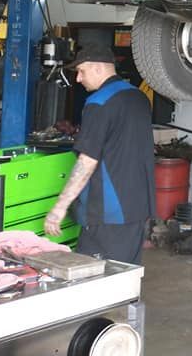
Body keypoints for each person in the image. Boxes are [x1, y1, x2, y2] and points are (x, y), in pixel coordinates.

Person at [44, 44, 156, 264]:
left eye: (81, 71)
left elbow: (87, 161)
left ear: (97, 69)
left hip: (108, 212)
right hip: (137, 205)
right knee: (127, 273)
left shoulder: (98, 103)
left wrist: (59, 207)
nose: (78, 79)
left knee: (94, 278)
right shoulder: (138, 98)